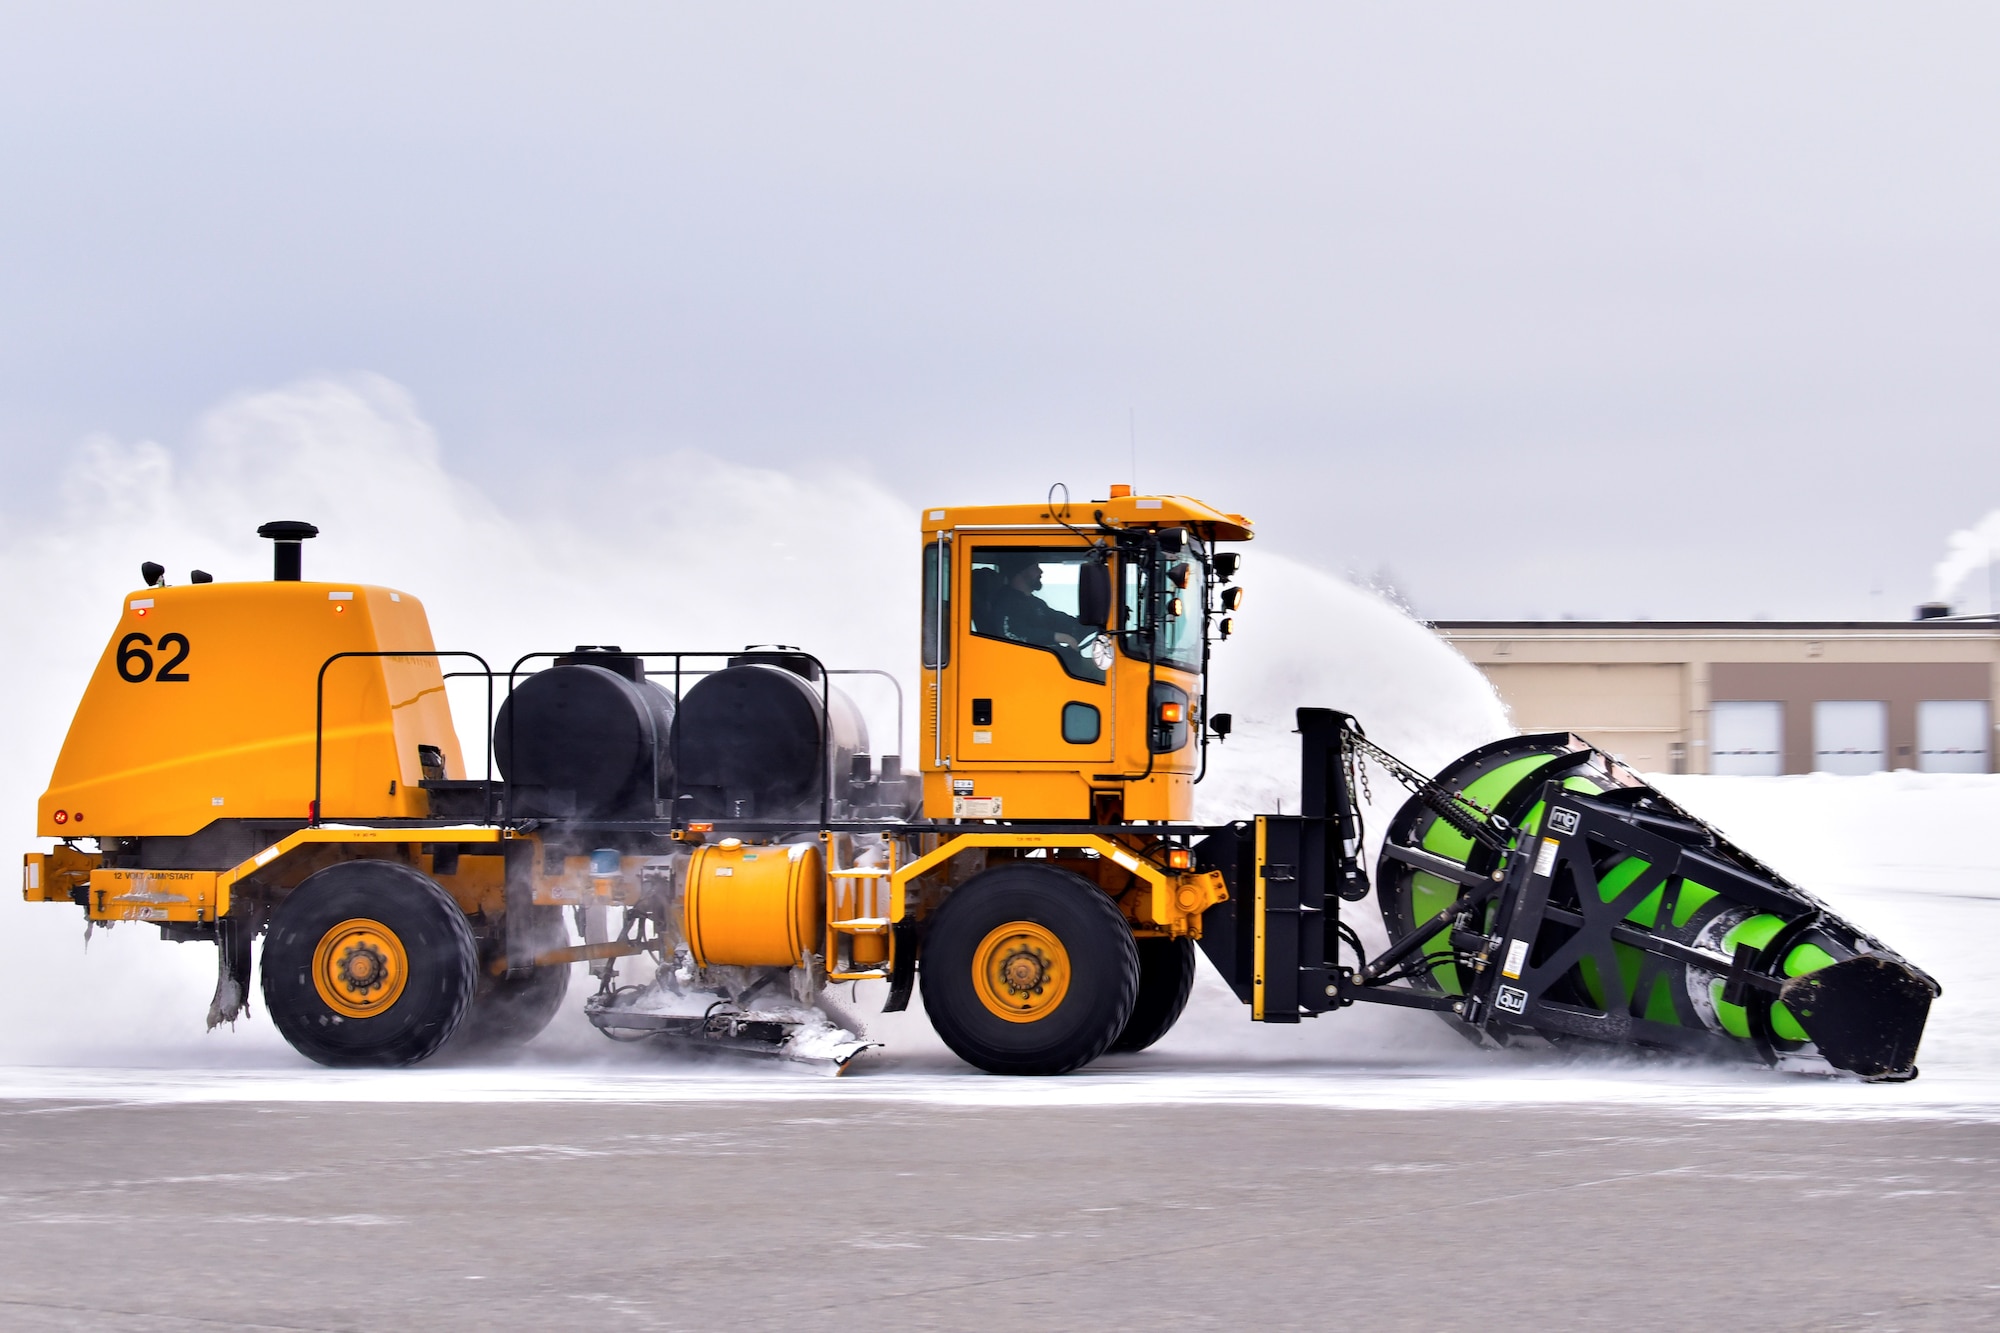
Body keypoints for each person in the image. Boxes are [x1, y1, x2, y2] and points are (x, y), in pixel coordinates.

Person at [990, 555, 1087, 650]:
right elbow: (1011, 633)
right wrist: (1057, 637)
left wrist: (1087, 623)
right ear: (1021, 571)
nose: (1041, 571)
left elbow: (1058, 620)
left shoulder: (1036, 603)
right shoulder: (1005, 602)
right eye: (1035, 567)